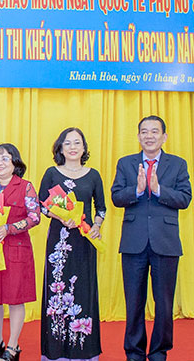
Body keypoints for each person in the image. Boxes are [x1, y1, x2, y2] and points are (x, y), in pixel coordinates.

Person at [111, 115, 191, 361]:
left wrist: (158, 190)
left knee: (164, 304)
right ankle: (134, 352)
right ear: (138, 136)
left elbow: (185, 199)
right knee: (134, 302)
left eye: (154, 131)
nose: (149, 136)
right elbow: (116, 197)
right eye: (144, 131)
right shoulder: (126, 163)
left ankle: (158, 352)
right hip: (133, 243)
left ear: (164, 136)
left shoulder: (178, 164)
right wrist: (136, 190)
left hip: (165, 243)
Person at [39, 128, 106, 361]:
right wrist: (59, 216)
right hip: (59, 242)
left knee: (84, 290)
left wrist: (97, 225)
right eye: (67, 143)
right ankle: (56, 350)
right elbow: (42, 205)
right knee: (57, 290)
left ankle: (83, 349)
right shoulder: (52, 173)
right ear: (60, 148)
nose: (72, 147)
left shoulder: (93, 175)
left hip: (84, 240)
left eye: (77, 142)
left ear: (84, 147)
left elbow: (101, 208)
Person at [0, 143, 40, 361]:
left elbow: (35, 216)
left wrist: (8, 228)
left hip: (15, 250)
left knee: (15, 298)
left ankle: (13, 346)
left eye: (4, 158)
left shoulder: (25, 187)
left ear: (15, 162)